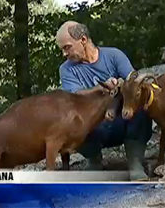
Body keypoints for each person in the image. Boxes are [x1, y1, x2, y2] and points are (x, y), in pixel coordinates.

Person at [55, 21, 152, 180]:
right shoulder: (66, 69)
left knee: (141, 108)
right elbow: (75, 96)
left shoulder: (114, 55)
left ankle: (135, 163)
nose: (64, 54)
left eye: (67, 47)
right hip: (94, 126)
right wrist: (100, 89)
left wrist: (121, 86)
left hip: (122, 119)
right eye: (62, 49)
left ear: (83, 40)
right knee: (71, 123)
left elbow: (133, 83)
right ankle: (94, 161)